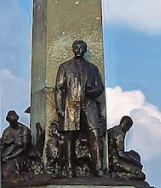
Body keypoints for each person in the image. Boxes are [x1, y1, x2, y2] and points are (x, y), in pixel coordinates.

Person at [54, 39, 105, 177]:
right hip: (71, 106)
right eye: (77, 48)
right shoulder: (64, 67)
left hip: (89, 106)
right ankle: (70, 169)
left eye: (82, 48)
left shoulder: (92, 68)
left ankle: (98, 168)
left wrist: (91, 92)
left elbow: (100, 87)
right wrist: (59, 107)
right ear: (73, 49)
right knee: (69, 139)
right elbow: (58, 89)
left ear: (85, 50)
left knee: (95, 135)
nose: (79, 50)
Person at [0, 110, 34, 182]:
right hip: (6, 154)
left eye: (13, 122)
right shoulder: (7, 131)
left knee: (6, 173)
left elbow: (24, 148)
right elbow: (2, 145)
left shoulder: (24, 130)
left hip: (20, 156)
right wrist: (1, 149)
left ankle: (22, 178)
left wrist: (11, 157)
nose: (12, 124)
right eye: (10, 122)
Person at [107, 115, 146, 180]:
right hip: (116, 162)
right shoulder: (120, 134)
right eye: (129, 128)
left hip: (111, 160)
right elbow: (120, 154)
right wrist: (136, 162)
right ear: (127, 125)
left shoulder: (112, 130)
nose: (128, 130)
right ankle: (117, 175)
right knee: (141, 175)